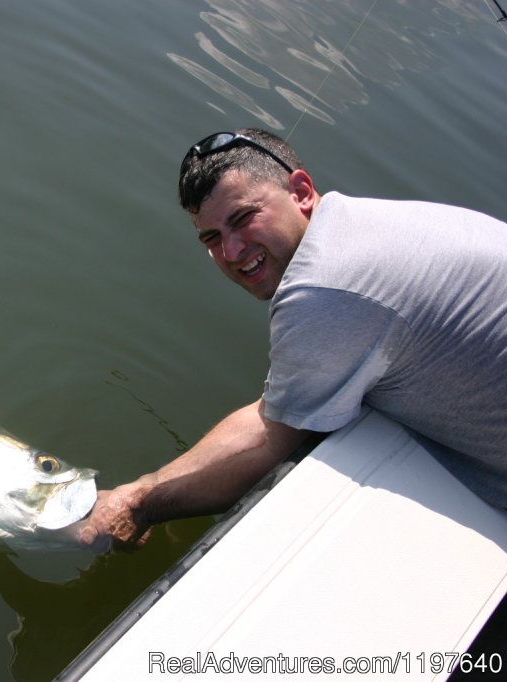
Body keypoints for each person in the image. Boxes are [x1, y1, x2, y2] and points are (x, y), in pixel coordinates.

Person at [78, 128, 507, 548]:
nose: (231, 252)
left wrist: (135, 501)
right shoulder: (363, 220)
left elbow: (268, 438)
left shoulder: (325, 291)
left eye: (243, 218)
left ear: (300, 191)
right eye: (211, 238)